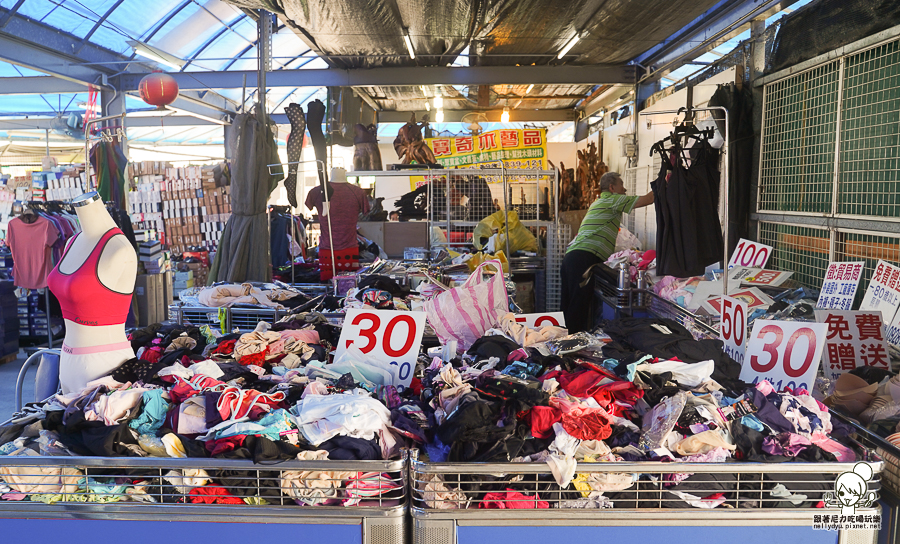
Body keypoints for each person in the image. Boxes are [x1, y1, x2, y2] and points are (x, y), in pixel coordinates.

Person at [560, 171, 654, 332]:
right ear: (612, 187)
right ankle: (572, 348)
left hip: (573, 257)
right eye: (622, 186)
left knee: (569, 307)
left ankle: (562, 344)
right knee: (578, 308)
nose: (624, 190)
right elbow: (648, 199)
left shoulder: (599, 202)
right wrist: (666, 177)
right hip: (583, 259)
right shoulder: (612, 200)